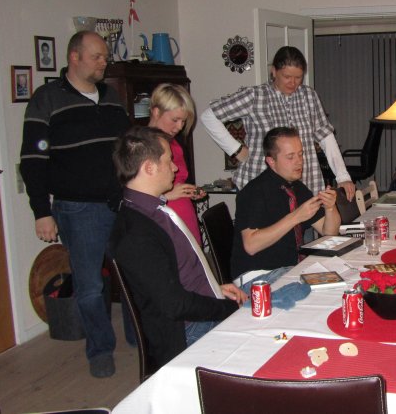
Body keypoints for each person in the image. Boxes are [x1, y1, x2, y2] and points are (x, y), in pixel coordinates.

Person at [19, 31, 130, 377]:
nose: (104, 62)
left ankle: (137, 335)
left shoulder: (111, 96)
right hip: (79, 209)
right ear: (74, 57)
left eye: (105, 57)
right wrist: (41, 212)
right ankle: (100, 351)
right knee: (90, 285)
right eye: (97, 57)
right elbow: (32, 160)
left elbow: (127, 146)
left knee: (132, 272)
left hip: (120, 202)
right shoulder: (47, 99)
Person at [109, 126, 247, 370]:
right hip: (188, 332)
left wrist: (214, 288)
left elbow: (180, 272)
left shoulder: (153, 210)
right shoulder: (136, 233)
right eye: (168, 160)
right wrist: (225, 308)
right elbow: (174, 305)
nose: (175, 168)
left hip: (202, 306)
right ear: (149, 168)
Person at [200, 46, 356, 200]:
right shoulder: (255, 96)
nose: (293, 83)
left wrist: (342, 176)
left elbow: (325, 136)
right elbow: (209, 117)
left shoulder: (309, 96)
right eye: (287, 76)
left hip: (305, 184)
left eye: (298, 77)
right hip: (262, 186)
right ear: (274, 71)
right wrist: (236, 149)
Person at [231, 127, 341, 283]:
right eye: (290, 157)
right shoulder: (254, 192)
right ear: (271, 161)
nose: (299, 161)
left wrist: (330, 207)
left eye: (300, 154)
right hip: (257, 276)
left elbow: (329, 232)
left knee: (342, 277)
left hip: (290, 270)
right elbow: (251, 245)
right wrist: (295, 217)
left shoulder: (297, 188)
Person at [148, 83, 206, 244]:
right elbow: (132, 197)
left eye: (183, 121)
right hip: (162, 220)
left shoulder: (175, 143)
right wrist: (165, 196)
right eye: (175, 120)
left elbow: (180, 181)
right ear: (156, 112)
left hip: (184, 215)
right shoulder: (141, 145)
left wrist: (189, 191)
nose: (179, 127)